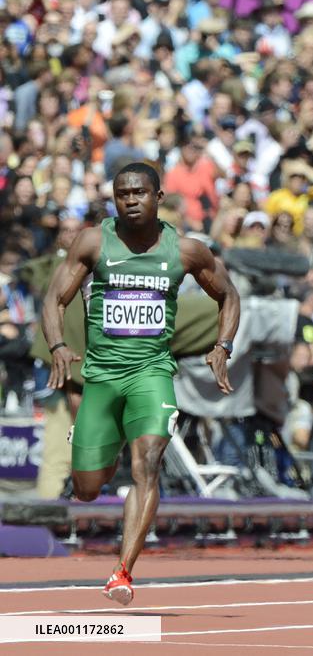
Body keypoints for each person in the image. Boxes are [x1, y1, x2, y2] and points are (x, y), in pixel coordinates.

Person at [41, 162, 240, 605]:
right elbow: (55, 298)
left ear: (158, 196)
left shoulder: (185, 250)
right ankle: (97, 446)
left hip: (151, 373)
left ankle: (122, 571)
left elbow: (228, 294)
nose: (130, 200)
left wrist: (222, 345)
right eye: (122, 194)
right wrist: (57, 345)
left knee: (147, 462)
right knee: (88, 489)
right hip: (102, 377)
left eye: (139, 193)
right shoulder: (94, 242)